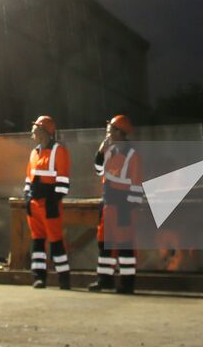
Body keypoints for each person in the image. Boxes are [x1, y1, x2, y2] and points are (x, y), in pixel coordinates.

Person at [90, 114, 144, 294]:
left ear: (120, 133)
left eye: (111, 130)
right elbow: (98, 171)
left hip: (123, 206)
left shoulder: (131, 155)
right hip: (108, 203)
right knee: (105, 243)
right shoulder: (110, 150)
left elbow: (136, 183)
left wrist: (129, 208)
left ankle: (127, 284)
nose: (107, 133)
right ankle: (104, 280)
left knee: (125, 244)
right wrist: (100, 152)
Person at [23, 114, 71, 289]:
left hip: (49, 205)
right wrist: (27, 197)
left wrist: (53, 201)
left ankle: (64, 279)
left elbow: (64, 181)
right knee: (37, 241)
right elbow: (29, 178)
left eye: (34, 130)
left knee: (56, 241)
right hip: (34, 204)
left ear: (43, 131)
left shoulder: (59, 151)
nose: (32, 133)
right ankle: (39, 277)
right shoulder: (34, 152)